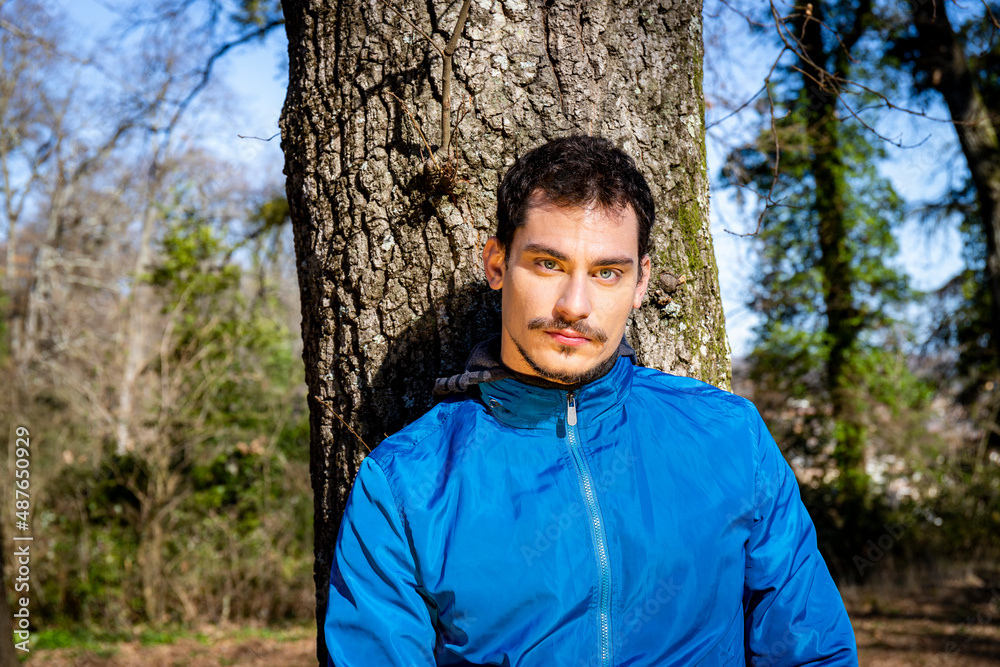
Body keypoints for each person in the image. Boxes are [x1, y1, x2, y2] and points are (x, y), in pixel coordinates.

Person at [324, 135, 858, 666]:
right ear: (496, 263)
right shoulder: (404, 484)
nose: (575, 306)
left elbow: (811, 651)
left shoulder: (730, 437)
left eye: (607, 273)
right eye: (548, 264)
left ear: (641, 281)